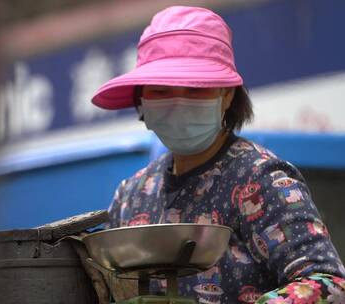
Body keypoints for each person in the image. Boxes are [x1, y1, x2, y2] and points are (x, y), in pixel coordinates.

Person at [91, 6, 345, 304]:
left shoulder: (260, 178)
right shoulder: (132, 194)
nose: (178, 103)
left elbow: (328, 284)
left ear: (227, 96)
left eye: (195, 89)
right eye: (161, 91)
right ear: (141, 101)